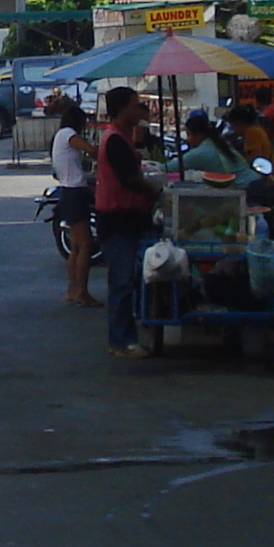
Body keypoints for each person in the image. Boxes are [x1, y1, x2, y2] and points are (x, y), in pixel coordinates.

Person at [92, 86, 162, 355]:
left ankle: (124, 337)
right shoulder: (116, 140)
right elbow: (129, 179)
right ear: (122, 109)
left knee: (126, 279)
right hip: (117, 219)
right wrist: (154, 190)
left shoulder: (122, 137)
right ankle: (121, 340)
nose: (140, 110)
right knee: (121, 281)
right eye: (135, 105)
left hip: (126, 218)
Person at [49, 97, 97, 308]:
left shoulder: (60, 135)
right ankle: (81, 291)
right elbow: (92, 151)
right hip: (75, 192)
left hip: (69, 192)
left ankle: (72, 289)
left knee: (77, 247)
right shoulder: (69, 135)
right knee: (85, 245)